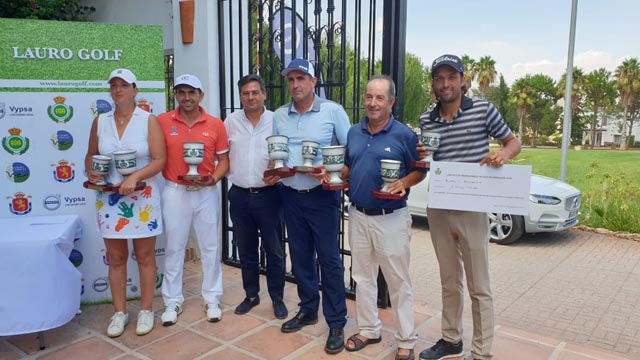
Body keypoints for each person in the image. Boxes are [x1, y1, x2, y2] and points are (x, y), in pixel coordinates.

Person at [417, 54, 522, 360]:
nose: (445, 83)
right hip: (439, 205)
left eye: (451, 77)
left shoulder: (483, 110)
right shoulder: (427, 119)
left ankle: (481, 352)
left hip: (473, 206)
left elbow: (512, 143)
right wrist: (421, 152)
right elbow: (428, 159)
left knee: (479, 285)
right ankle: (451, 340)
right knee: (449, 279)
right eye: (439, 78)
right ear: (434, 84)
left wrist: (503, 154)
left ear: (463, 80)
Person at [341, 75, 426, 360]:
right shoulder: (354, 132)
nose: (373, 103)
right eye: (369, 97)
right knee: (362, 277)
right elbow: (349, 167)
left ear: (391, 101)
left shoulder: (404, 135)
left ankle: (406, 339)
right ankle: (368, 329)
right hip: (358, 214)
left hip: (391, 218)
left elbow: (420, 170)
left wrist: (405, 181)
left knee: (397, 281)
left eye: (379, 98)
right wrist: (331, 172)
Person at [273, 58, 350, 354]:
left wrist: (333, 170)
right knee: (301, 256)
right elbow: (277, 150)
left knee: (329, 260)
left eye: (301, 79)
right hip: (290, 194)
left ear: (314, 81)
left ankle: (336, 322)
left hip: (322, 197)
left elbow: (350, 150)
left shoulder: (333, 111)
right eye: (291, 79)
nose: (295, 85)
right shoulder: (280, 115)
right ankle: (307, 310)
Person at [85, 68, 166, 338]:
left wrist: (135, 176)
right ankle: (119, 312)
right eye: (113, 85)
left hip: (142, 196)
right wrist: (92, 173)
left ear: (135, 89)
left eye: (123, 85)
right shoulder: (100, 121)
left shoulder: (148, 120)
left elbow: (159, 160)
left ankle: (145, 310)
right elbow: (90, 155)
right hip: (109, 197)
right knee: (116, 258)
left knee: (144, 257)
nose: (118, 90)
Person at [157, 74, 230, 325]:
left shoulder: (215, 124)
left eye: (192, 92)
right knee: (174, 247)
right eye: (181, 92)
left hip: (206, 191)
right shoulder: (163, 121)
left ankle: (212, 297)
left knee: (210, 247)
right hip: (175, 191)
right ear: (175, 94)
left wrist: (214, 179)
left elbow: (224, 161)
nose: (186, 97)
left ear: (201, 95)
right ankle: (172, 301)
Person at [224, 74, 288, 319]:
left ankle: (277, 297)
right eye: (245, 93)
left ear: (264, 94)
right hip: (239, 195)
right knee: (246, 249)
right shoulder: (230, 122)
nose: (250, 97)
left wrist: (279, 170)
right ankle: (251, 295)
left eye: (254, 92)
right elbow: (221, 154)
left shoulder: (277, 120)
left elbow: (286, 152)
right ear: (240, 96)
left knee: (274, 250)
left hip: (270, 195)